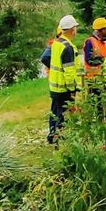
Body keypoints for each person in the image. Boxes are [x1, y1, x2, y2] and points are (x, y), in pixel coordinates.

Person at [40, 15, 79, 145]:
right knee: (63, 115)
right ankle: (59, 139)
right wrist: (72, 89)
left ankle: (51, 135)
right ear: (72, 29)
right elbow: (68, 72)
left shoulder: (56, 44)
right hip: (64, 88)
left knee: (54, 112)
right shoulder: (67, 47)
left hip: (54, 87)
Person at [79, 17, 106, 104]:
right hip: (93, 80)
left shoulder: (105, 44)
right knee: (95, 104)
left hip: (104, 79)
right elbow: (89, 60)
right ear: (101, 30)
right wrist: (103, 60)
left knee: (104, 104)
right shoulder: (90, 42)